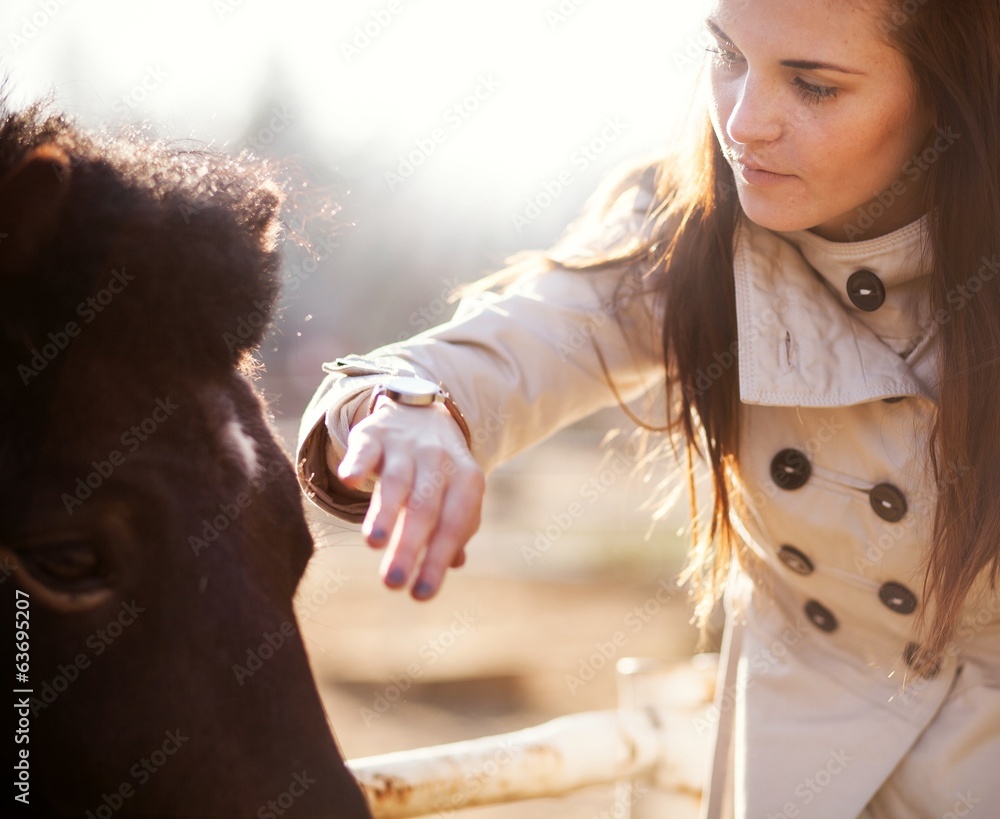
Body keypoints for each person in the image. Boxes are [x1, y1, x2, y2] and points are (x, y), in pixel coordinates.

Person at [296, 1, 1000, 816]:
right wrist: (409, 407)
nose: (743, 122)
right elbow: (513, 344)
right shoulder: (687, 228)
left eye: (812, 86)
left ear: (954, 94)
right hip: (797, 768)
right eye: (726, 52)